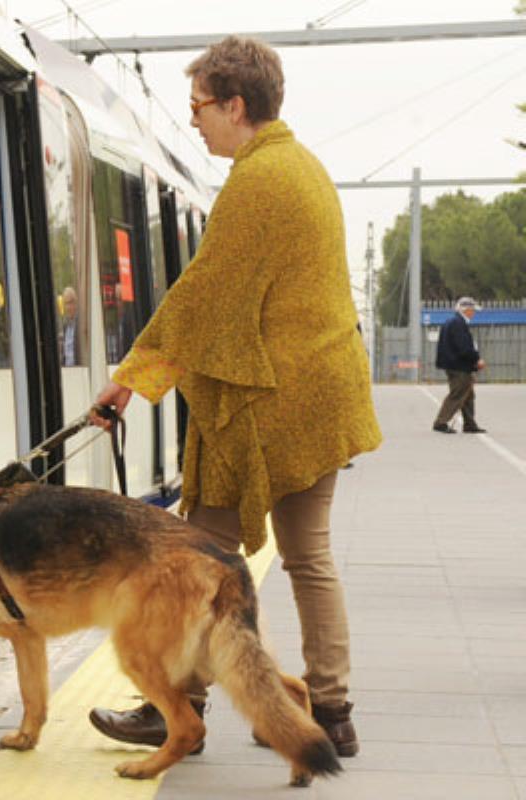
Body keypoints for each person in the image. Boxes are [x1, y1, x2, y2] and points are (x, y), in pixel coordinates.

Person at [88, 36, 381, 758]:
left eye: (199, 106)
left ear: (236, 104)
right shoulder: (302, 167)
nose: (194, 120)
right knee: (308, 556)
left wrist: (128, 381)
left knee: (201, 559)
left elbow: (204, 296)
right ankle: (332, 710)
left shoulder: (259, 181)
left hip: (273, 407)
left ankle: (175, 709)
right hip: (319, 394)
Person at [432, 297, 486, 434]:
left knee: (468, 395)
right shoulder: (458, 323)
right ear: (466, 310)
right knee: (457, 394)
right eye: (472, 310)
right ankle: (441, 422)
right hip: (459, 366)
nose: (473, 313)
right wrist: (476, 360)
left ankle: (469, 424)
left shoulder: (453, 321)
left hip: (454, 365)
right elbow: (464, 347)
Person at [59, 285, 78, 366]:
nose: (68, 307)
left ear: (75, 303)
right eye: (66, 303)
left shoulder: (79, 323)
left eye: (70, 302)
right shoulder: (65, 325)